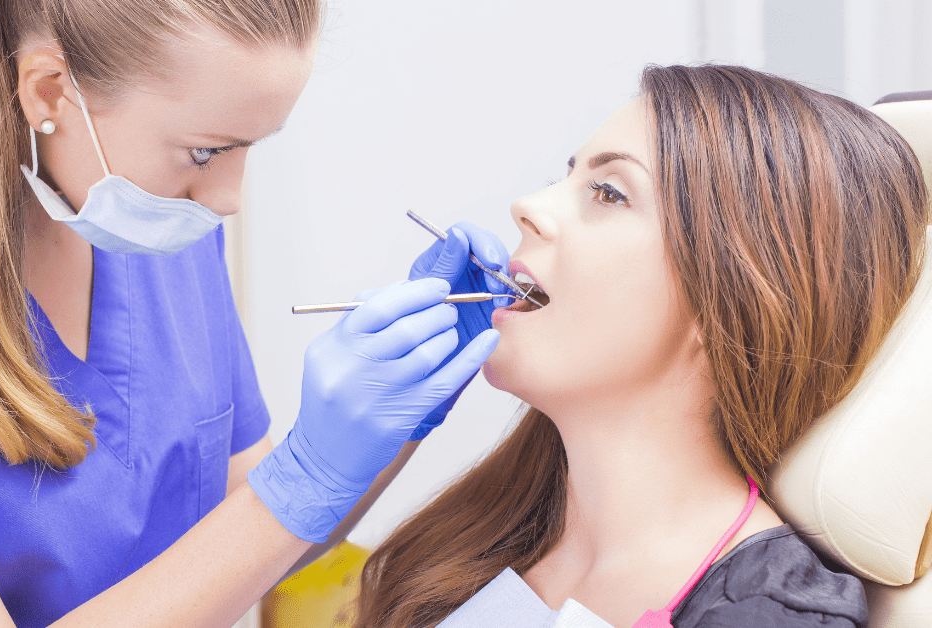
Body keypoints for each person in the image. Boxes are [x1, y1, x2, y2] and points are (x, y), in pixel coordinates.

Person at [0, 1, 510, 626]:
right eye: (206, 152)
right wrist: (301, 476)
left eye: (252, 148)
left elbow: (262, 545)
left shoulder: (161, 231)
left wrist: (395, 418)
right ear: (47, 93)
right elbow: (276, 510)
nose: (228, 200)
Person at [354, 64, 930, 628]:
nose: (529, 205)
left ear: (726, 294)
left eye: (608, 192)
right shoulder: (479, 538)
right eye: (569, 177)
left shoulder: (768, 613)